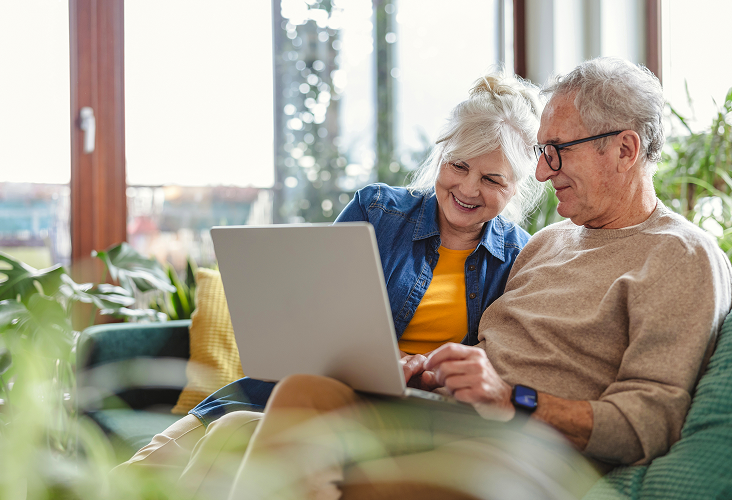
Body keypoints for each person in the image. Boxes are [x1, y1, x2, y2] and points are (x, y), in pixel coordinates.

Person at [213, 57, 732, 499]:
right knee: (300, 395)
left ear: (624, 149)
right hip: (446, 417)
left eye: (558, 151)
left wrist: (514, 400)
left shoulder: (682, 256)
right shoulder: (548, 243)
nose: (545, 174)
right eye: (541, 153)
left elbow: (648, 422)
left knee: (286, 455)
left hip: (528, 453)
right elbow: (489, 352)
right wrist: (438, 370)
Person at [113, 71, 546, 498]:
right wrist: (383, 361)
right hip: (297, 389)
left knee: (226, 438)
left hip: (391, 417)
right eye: (459, 166)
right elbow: (311, 319)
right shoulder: (378, 211)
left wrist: (430, 373)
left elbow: (494, 370)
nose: (468, 188)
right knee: (133, 476)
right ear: (441, 156)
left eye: (492, 179)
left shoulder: (520, 258)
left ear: (518, 187)